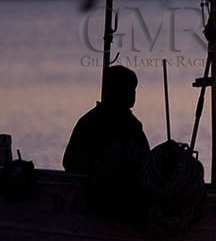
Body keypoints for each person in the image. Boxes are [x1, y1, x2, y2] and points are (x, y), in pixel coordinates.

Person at [63, 67, 150, 214]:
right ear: (115, 90)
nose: (133, 94)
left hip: (129, 200)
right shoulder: (91, 123)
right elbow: (70, 162)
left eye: (134, 90)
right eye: (128, 89)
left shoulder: (133, 125)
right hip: (98, 199)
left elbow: (146, 162)